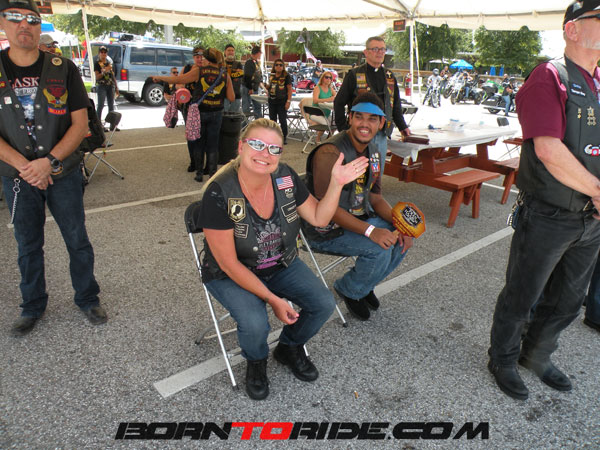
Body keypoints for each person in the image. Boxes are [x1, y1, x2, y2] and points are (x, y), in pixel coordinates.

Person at [199, 118, 369, 400]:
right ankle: (256, 361)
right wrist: (273, 299)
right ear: (241, 147)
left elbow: (319, 217)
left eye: (274, 149)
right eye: (256, 144)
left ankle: (289, 347)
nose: (265, 154)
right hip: (231, 273)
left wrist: (337, 184)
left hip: (280, 262)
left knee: (323, 303)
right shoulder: (219, 191)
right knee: (255, 323)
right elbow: (228, 263)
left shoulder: (285, 178)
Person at [488, 0, 600, 401]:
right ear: (573, 29)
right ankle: (502, 358)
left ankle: (536, 354)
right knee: (523, 294)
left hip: (591, 220)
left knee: (568, 300)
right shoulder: (549, 76)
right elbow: (549, 149)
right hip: (549, 215)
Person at [0, 0, 106, 336]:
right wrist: (27, 167)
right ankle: (32, 305)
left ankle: (87, 298)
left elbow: (80, 124)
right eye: (14, 18)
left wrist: (48, 163)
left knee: (77, 239)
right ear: (3, 24)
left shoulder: (63, 67)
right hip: (18, 176)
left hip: (63, 172)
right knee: (27, 244)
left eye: (32, 19)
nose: (24, 25)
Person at [305, 93, 413, 321]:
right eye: (359, 117)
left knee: (401, 238)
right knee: (380, 248)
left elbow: (375, 197)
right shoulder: (330, 152)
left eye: (372, 118)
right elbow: (325, 210)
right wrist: (371, 231)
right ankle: (350, 289)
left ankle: (364, 284)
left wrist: (401, 224)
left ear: (381, 123)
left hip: (357, 217)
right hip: (323, 229)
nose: (365, 124)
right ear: (350, 118)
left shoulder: (374, 151)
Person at [154, 48, 234, 182]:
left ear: (207, 59)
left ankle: (199, 173)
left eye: (203, 58)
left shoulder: (199, 71)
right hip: (217, 113)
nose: (201, 59)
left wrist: (160, 77)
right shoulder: (224, 74)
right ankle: (213, 174)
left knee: (198, 142)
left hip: (200, 112)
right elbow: (231, 97)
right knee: (213, 144)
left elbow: (179, 79)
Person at [334, 36, 410, 175]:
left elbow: (395, 105)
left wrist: (403, 127)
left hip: (381, 134)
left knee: (376, 173)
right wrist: (343, 129)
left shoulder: (389, 76)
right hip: (358, 133)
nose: (379, 52)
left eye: (382, 49)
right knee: (356, 172)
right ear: (366, 52)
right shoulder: (354, 74)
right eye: (375, 49)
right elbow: (338, 103)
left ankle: (374, 189)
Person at [180, 46, 206, 173]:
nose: (200, 59)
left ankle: (201, 162)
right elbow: (178, 83)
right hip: (189, 107)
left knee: (202, 136)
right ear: (193, 57)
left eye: (202, 57)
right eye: (197, 57)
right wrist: (183, 91)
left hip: (204, 107)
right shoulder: (187, 68)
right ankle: (193, 161)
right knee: (191, 136)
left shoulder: (208, 70)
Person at [266, 58, 292, 145]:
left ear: (283, 66)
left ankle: (283, 137)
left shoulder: (286, 76)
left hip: (282, 101)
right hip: (272, 101)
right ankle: (273, 137)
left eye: (280, 65)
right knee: (272, 120)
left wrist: (288, 101)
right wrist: (265, 86)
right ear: (274, 66)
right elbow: (269, 87)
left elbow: (289, 89)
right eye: (276, 65)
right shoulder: (271, 75)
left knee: (282, 120)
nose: (278, 66)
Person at [94, 45, 119, 125]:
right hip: (102, 86)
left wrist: (116, 87)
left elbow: (113, 76)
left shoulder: (109, 63)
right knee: (101, 105)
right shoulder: (97, 63)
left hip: (110, 85)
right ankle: (98, 124)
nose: (103, 54)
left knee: (111, 105)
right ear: (99, 53)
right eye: (102, 52)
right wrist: (104, 71)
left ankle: (112, 124)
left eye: (105, 52)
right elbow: (97, 77)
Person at [311, 70, 337, 143]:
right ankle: (318, 139)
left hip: (326, 113)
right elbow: (315, 100)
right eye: (326, 77)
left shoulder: (330, 89)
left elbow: (336, 96)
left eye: (330, 78)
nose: (329, 79)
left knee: (335, 123)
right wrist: (328, 99)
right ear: (322, 78)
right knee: (326, 124)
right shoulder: (317, 88)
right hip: (317, 113)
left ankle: (328, 140)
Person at [242, 46, 264, 119]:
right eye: (260, 52)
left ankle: (259, 122)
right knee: (246, 107)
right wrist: (250, 88)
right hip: (248, 87)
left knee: (257, 106)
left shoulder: (255, 62)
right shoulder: (249, 62)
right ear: (257, 53)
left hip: (255, 87)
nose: (260, 54)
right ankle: (245, 123)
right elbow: (248, 76)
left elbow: (258, 74)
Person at [223, 44, 243, 113]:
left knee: (234, 116)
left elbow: (238, 77)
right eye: (229, 50)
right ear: (225, 52)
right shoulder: (221, 64)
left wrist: (229, 75)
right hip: (223, 95)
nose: (231, 52)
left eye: (232, 50)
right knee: (223, 115)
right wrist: (233, 74)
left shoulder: (238, 64)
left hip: (236, 94)